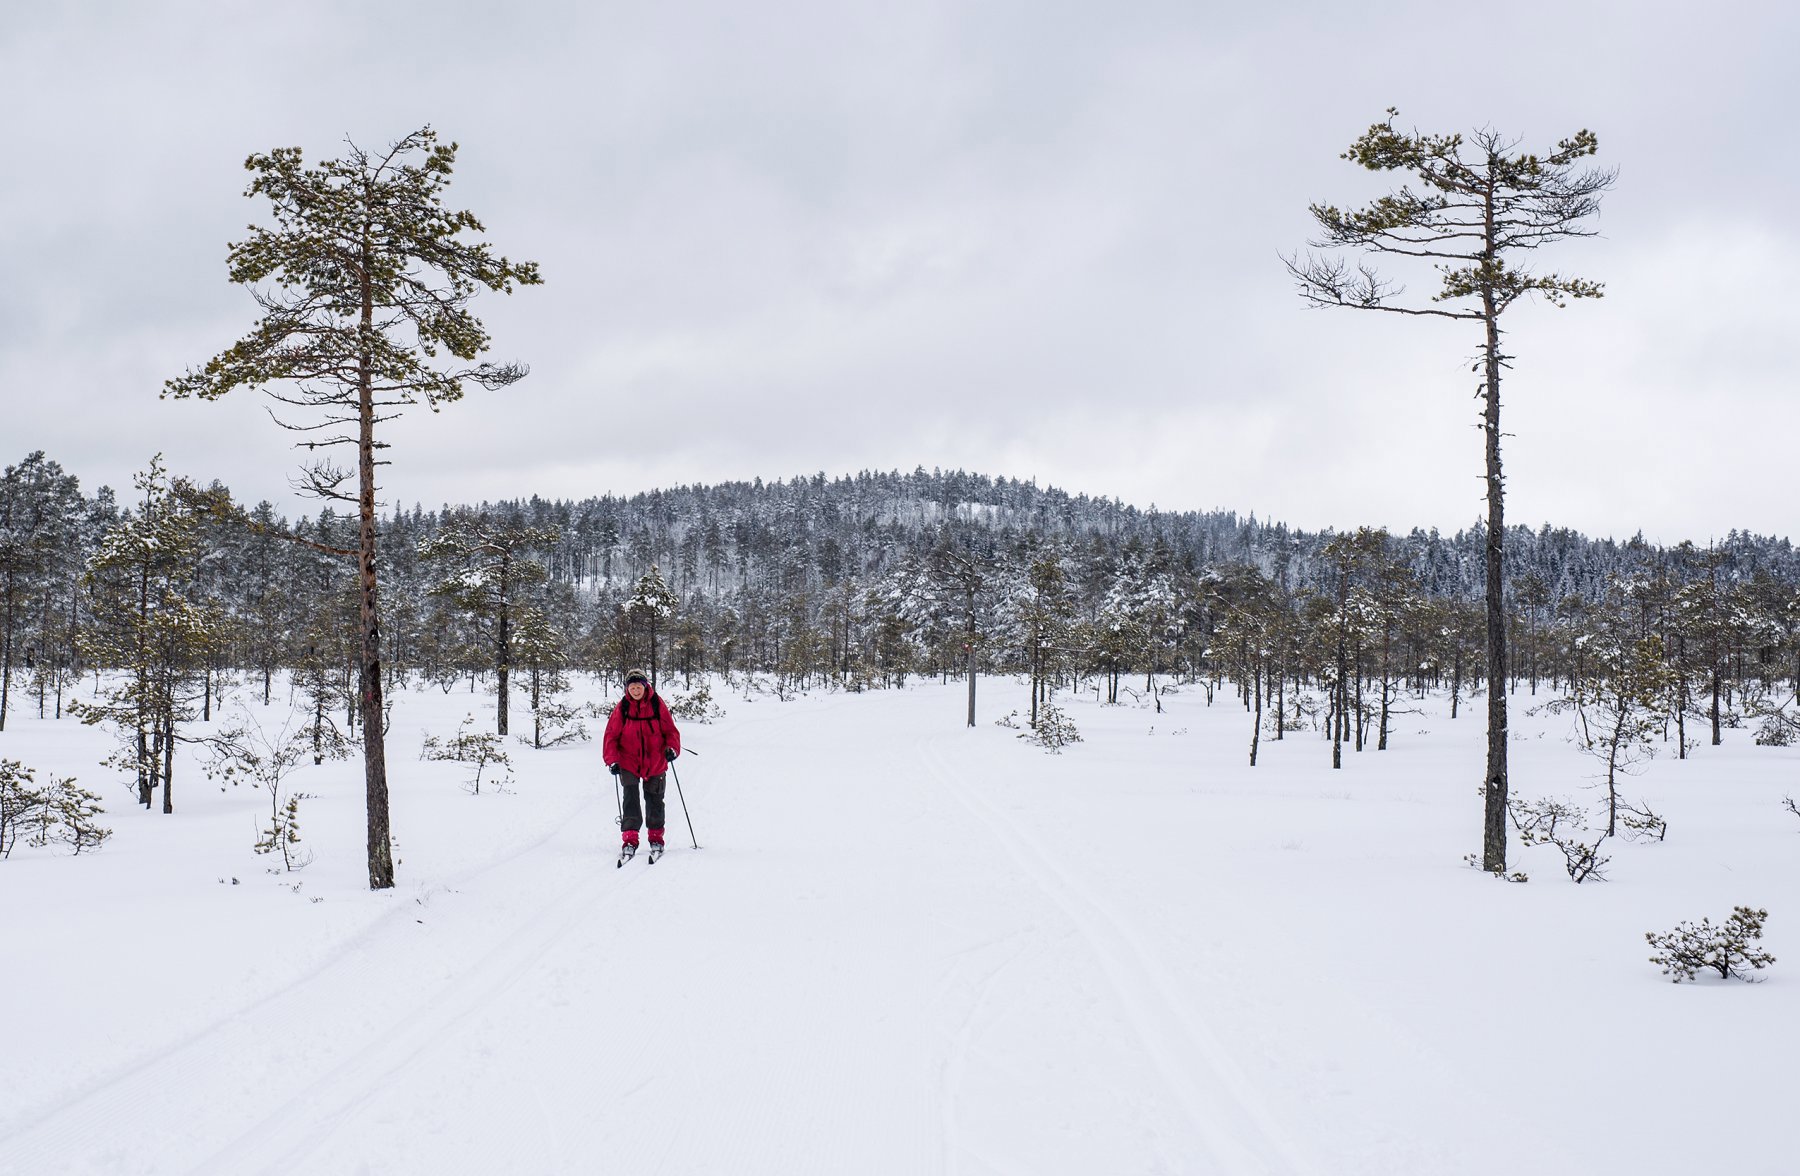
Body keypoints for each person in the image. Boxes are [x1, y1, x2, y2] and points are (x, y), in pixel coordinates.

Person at [603, 668, 681, 860]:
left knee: (654, 799)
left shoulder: (656, 705)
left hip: (655, 760)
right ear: (627, 689)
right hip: (628, 760)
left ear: (645, 687)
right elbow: (611, 735)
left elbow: (670, 731)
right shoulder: (622, 708)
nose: (636, 690)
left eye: (639, 686)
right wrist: (612, 759)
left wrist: (672, 748)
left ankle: (656, 838)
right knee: (630, 799)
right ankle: (630, 838)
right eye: (632, 687)